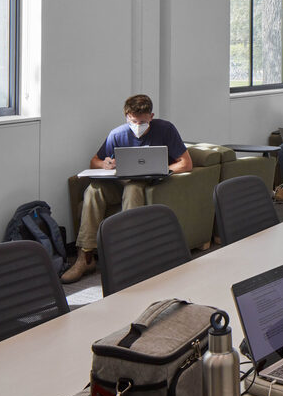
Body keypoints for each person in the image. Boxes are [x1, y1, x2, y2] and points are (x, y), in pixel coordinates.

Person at [62, 94, 193, 284]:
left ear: (151, 116)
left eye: (142, 121)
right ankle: (85, 257)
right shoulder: (117, 134)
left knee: (133, 188)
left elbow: (186, 163)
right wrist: (105, 164)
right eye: (133, 121)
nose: (137, 125)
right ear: (126, 117)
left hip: (149, 183)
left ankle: (129, 256)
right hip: (119, 182)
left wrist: (162, 169)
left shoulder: (166, 130)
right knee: (93, 190)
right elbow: (94, 161)